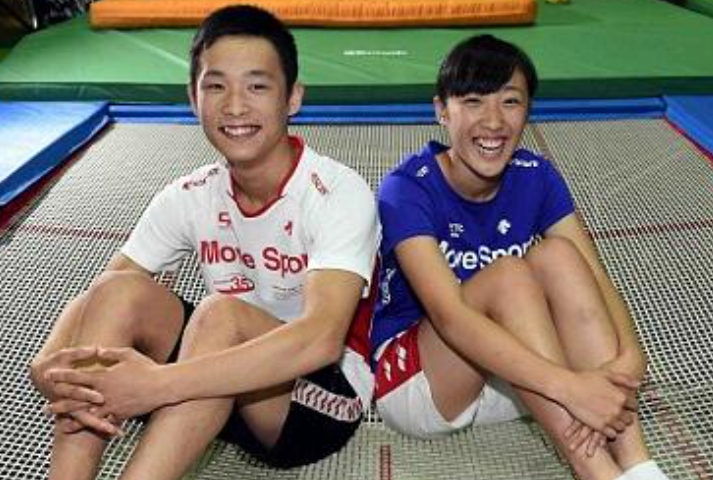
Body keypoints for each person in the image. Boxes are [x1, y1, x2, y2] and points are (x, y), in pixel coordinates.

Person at [29, 5, 379, 479]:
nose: (234, 106)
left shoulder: (337, 192)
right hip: (212, 383)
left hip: (315, 400)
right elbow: (104, 293)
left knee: (222, 313)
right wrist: (49, 365)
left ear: (293, 98)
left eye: (257, 87)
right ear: (193, 98)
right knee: (121, 291)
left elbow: (320, 340)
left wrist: (157, 385)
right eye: (216, 86)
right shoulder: (190, 194)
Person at [371, 34, 670, 480]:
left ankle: (637, 463)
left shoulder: (536, 175)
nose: (493, 121)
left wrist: (631, 355)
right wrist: (569, 387)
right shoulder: (407, 189)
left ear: (529, 110)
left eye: (510, 102)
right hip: (422, 383)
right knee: (509, 275)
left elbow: (595, 277)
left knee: (559, 255)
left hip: (516, 381)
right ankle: (596, 471)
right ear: (441, 111)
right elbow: (451, 318)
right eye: (473, 101)